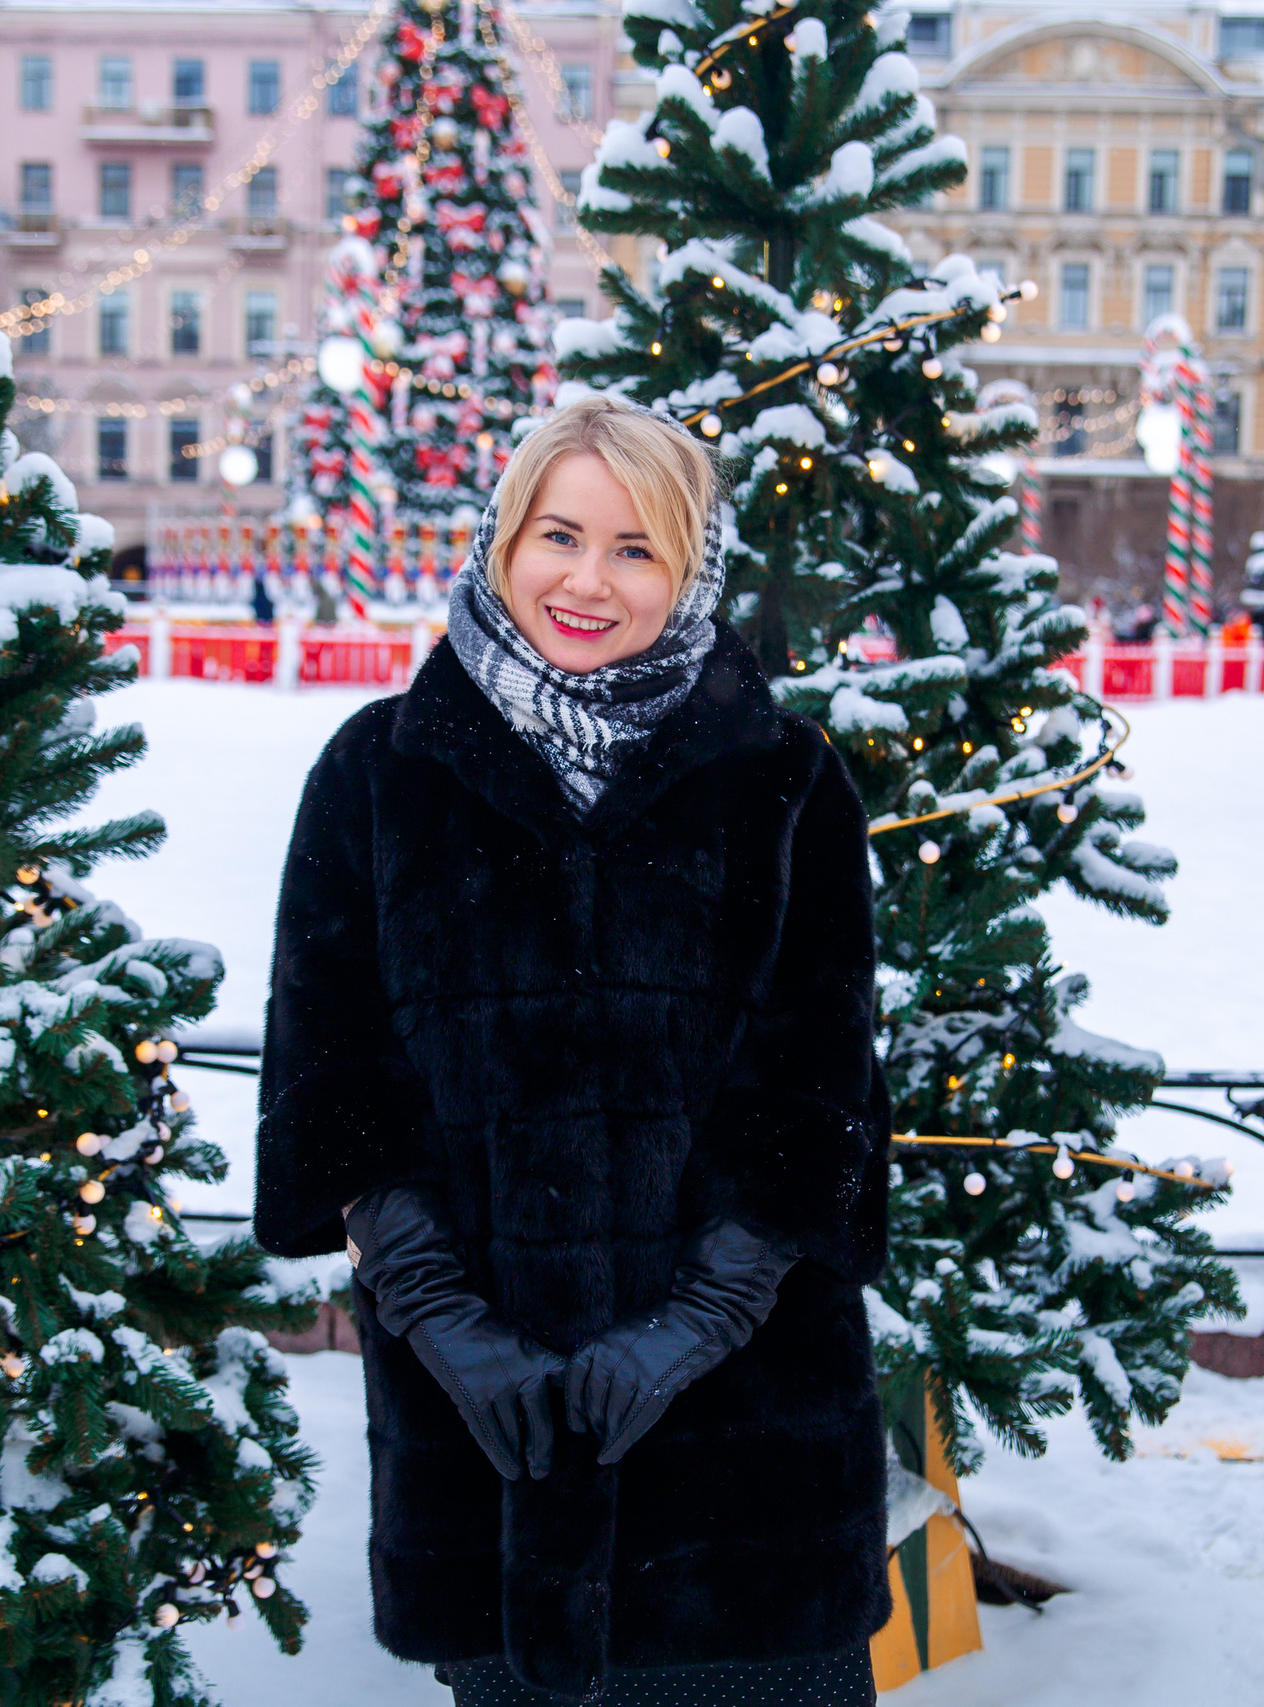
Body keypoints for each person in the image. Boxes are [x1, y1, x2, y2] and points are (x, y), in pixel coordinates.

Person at [254, 395, 890, 1705]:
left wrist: (697, 1322)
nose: (587, 581)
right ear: (502, 539)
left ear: (692, 566)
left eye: (637, 547)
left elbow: (819, 1095)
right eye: (559, 534)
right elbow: (336, 1087)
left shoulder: (786, 783)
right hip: (487, 1448)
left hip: (748, 1465)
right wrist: (443, 1320)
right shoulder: (379, 775)